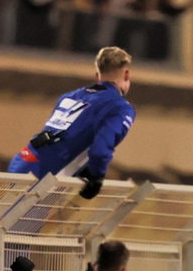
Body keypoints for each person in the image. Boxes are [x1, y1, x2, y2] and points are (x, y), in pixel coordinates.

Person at [7, 47, 136, 199]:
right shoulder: (120, 107)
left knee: (2, 213)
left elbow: (61, 136)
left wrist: (84, 168)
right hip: (45, 178)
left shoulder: (69, 96)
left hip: (22, 162)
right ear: (126, 74)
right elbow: (100, 150)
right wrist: (96, 179)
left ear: (98, 76)